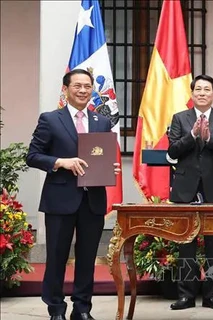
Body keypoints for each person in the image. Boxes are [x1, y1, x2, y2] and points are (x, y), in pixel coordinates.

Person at [26, 69, 121, 320]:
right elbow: (33, 156)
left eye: (87, 86)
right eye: (77, 86)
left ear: (92, 90)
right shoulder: (50, 119)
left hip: (93, 200)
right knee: (56, 257)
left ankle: (82, 309)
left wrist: (109, 167)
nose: (82, 90)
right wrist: (60, 162)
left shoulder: (102, 121)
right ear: (66, 89)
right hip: (60, 199)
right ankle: (56, 309)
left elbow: (100, 155)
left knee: (87, 258)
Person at [167, 74, 213, 310]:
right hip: (186, 189)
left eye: (207, 89)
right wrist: (193, 135)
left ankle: (212, 295)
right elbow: (173, 151)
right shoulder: (179, 119)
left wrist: (209, 138)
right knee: (186, 244)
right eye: (198, 89)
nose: (202, 93)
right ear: (192, 93)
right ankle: (186, 295)